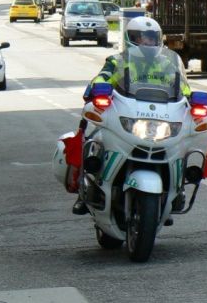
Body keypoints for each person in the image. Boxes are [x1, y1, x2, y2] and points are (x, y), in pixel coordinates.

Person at [71, 16, 191, 215]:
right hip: (126, 108)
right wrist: (96, 87)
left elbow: (181, 86)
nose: (147, 42)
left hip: (159, 111)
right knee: (93, 139)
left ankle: (177, 191)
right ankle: (84, 192)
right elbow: (103, 76)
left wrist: (190, 97)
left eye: (152, 38)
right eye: (142, 38)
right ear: (130, 38)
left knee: (181, 146)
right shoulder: (118, 60)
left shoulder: (166, 63)